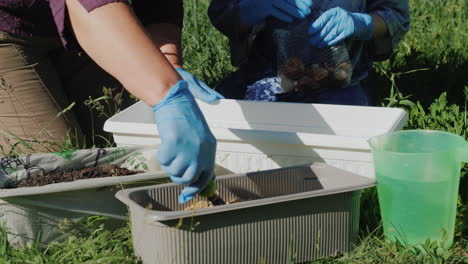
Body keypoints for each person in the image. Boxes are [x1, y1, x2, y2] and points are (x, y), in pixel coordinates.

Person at [0, 1, 223, 203]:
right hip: (8, 20)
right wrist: (168, 95)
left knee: (115, 151)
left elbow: (159, 7)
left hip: (76, 20)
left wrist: (168, 65)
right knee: (54, 165)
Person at [208, 0, 410, 106]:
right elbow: (222, 12)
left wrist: (362, 23)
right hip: (262, 76)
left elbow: (395, 15)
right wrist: (248, 9)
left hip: (340, 82)